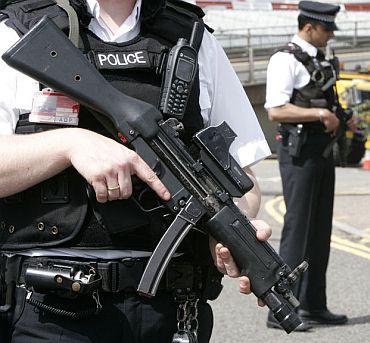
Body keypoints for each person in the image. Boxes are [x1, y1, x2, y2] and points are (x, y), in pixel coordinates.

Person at [0, 0, 272, 342]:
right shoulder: (19, 30)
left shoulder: (193, 39)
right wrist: (70, 145)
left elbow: (243, 178)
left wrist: (232, 227)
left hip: (173, 309)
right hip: (53, 310)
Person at [265, 0, 357, 331]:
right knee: (297, 230)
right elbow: (276, 109)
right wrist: (320, 114)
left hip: (322, 153)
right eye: (327, 29)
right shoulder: (284, 58)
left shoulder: (320, 59)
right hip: (299, 153)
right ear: (309, 27)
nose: (331, 34)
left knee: (319, 231)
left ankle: (314, 304)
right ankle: (282, 309)